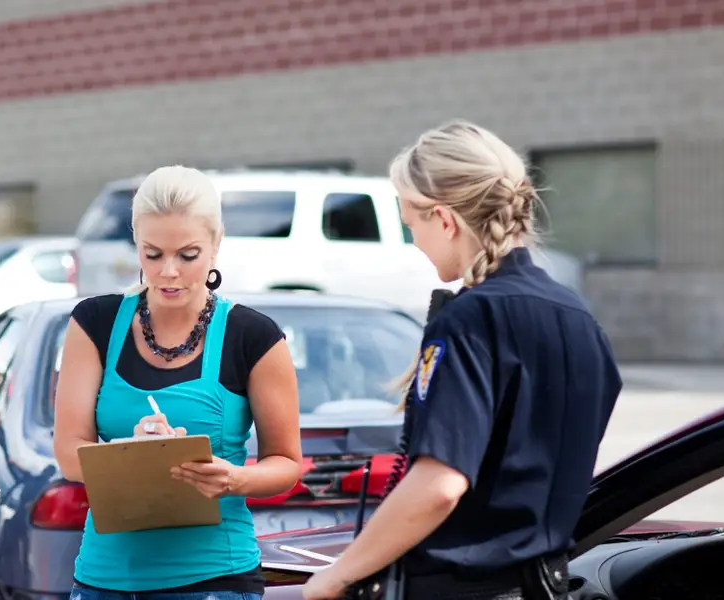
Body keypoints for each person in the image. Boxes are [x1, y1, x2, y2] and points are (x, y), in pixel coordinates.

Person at [301, 120, 623, 600]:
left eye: (412, 224)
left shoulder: (469, 320)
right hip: (549, 586)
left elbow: (439, 485)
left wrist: (335, 576)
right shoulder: (578, 317)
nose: (414, 241)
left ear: (445, 219)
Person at [54, 165, 304, 600]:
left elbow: (286, 463)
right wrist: (130, 453)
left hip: (213, 579)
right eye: (153, 254)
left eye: (188, 255)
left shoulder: (252, 336)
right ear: (136, 242)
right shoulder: (94, 323)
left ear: (216, 244)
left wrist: (233, 478)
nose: (169, 272)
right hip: (103, 580)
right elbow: (68, 455)